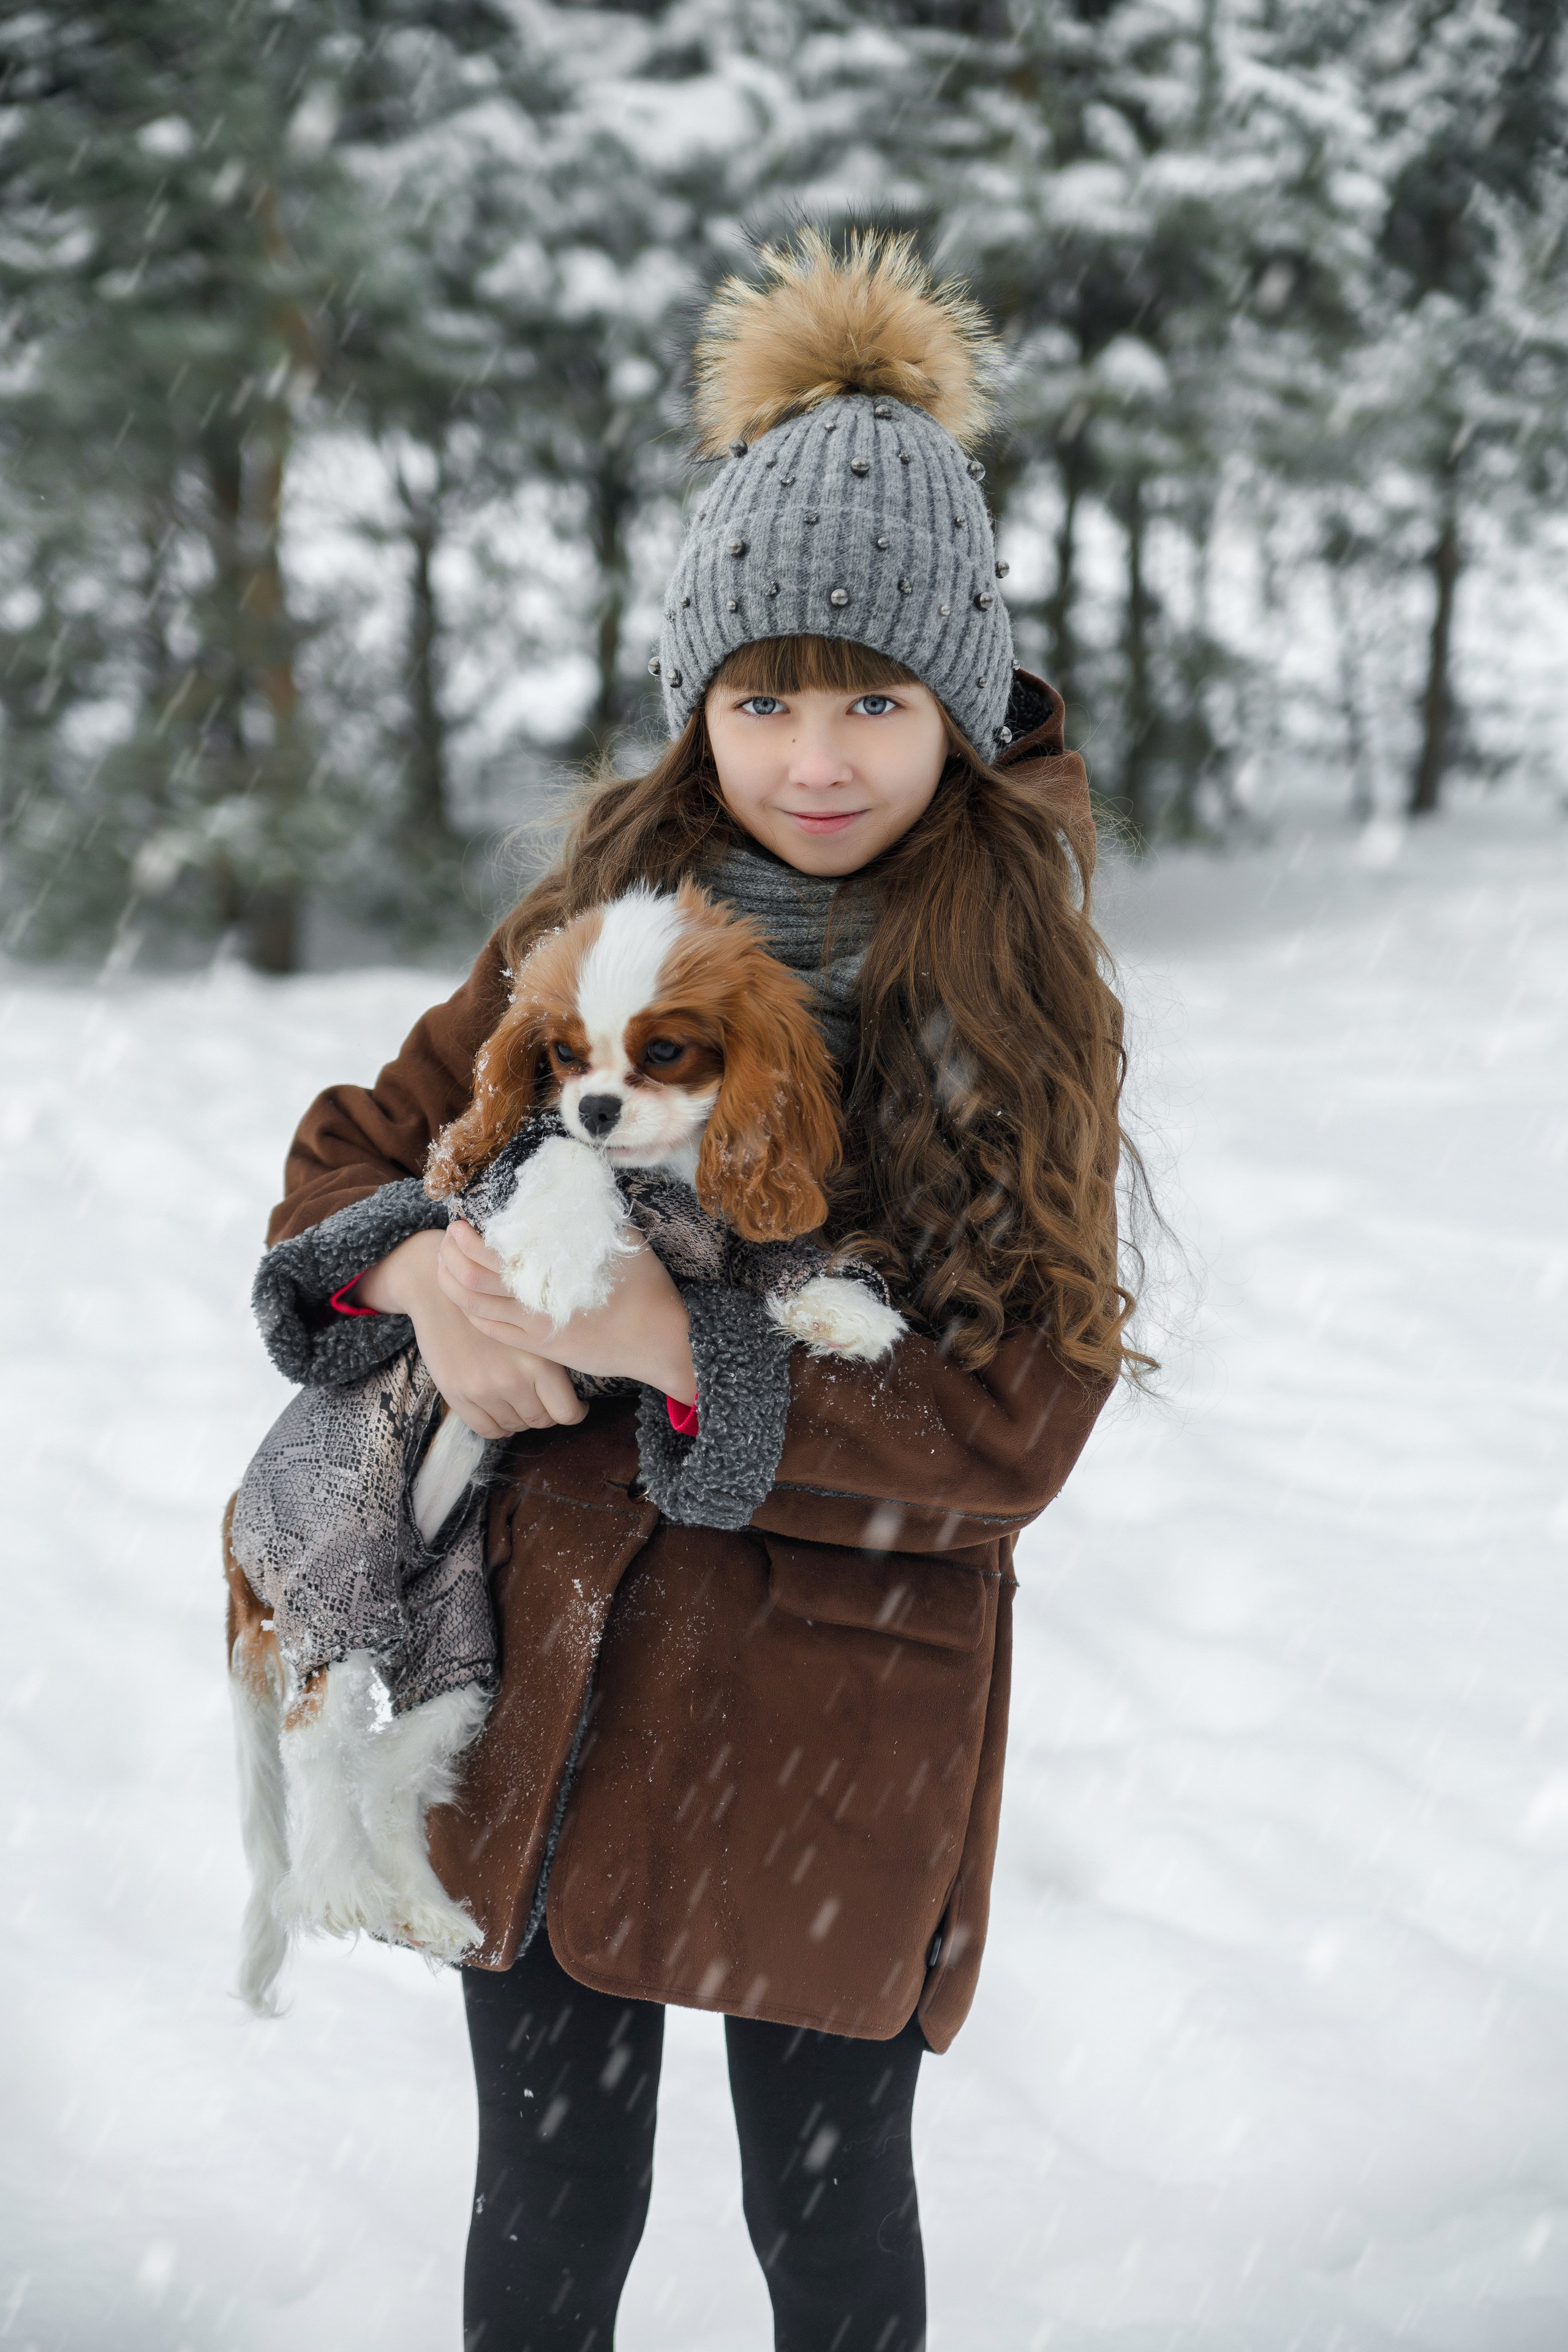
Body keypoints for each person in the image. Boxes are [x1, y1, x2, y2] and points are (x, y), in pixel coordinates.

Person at [253, 227, 1145, 2351]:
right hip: (557, 1693)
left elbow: (1013, 1426)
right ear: (698, 703)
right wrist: (429, 1290)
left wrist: (687, 1352)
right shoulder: (591, 927)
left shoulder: (1010, 999)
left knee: (825, 2227)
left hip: (836, 1724)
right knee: (549, 2204)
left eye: (871, 698)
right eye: (764, 700)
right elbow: (359, 1157)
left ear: (955, 698)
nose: (815, 756)